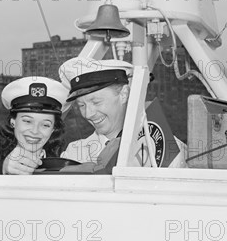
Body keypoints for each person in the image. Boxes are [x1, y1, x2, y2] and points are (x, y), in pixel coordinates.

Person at [58, 57, 187, 170]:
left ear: (123, 94)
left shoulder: (166, 147)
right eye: (81, 105)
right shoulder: (74, 153)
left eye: (96, 102)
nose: (88, 114)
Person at [0, 77, 69, 175]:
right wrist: (3, 171)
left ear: (53, 129)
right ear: (13, 122)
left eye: (45, 125)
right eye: (27, 121)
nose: (35, 131)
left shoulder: (65, 167)